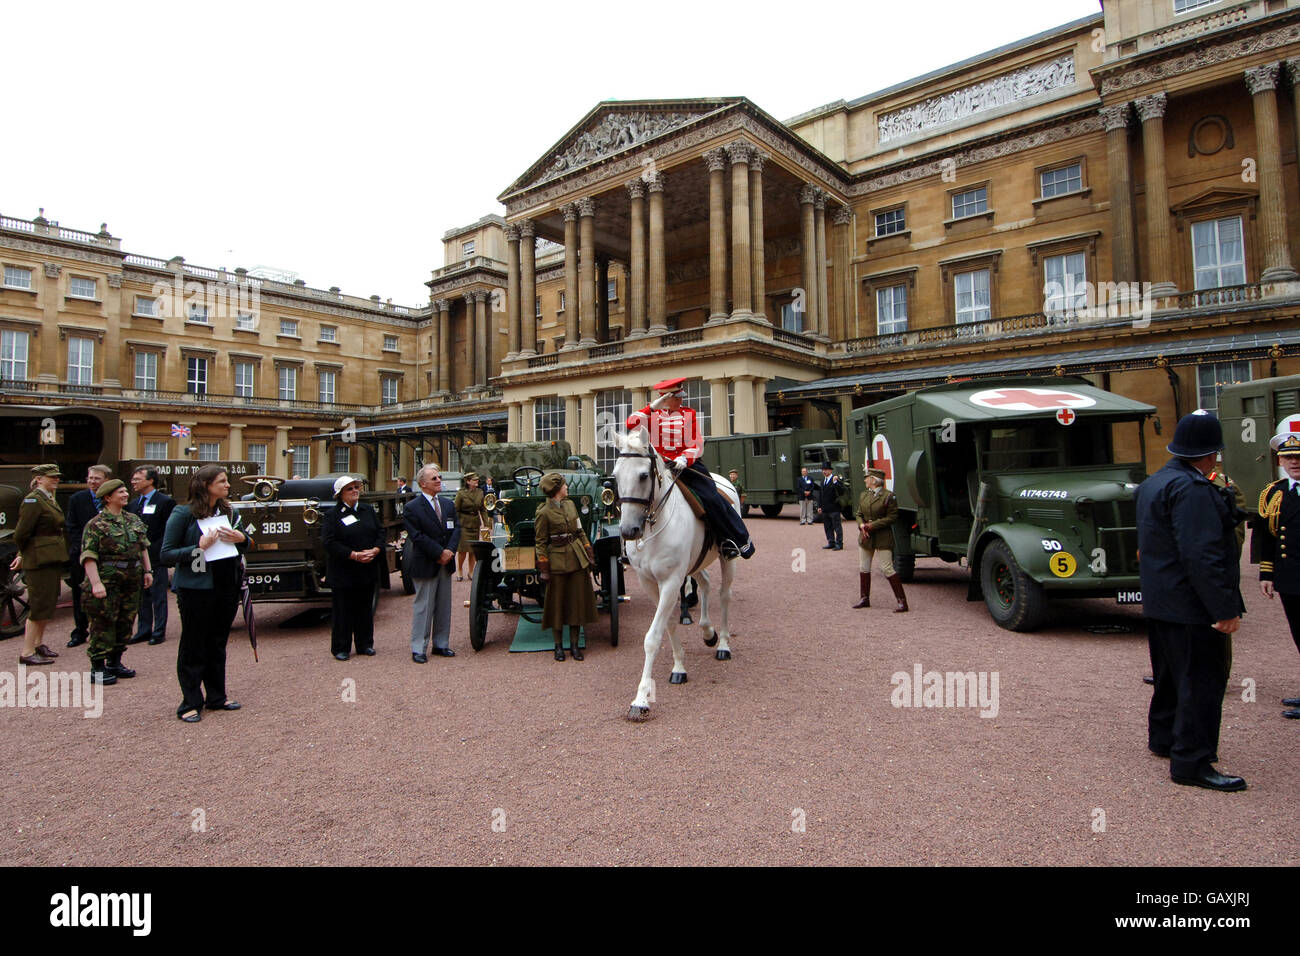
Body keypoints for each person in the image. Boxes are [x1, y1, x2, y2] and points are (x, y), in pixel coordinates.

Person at [1136, 410, 1246, 792]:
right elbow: (1201, 554)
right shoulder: (1193, 488)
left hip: (1162, 599)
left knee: (1169, 676)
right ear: (1211, 453)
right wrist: (1223, 608)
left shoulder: (1156, 482)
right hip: (1192, 604)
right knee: (1202, 682)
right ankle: (1192, 760)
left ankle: (1165, 738)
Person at [626, 376, 755, 559]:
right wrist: (652, 407)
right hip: (660, 468)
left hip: (686, 467)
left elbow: (696, 443)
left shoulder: (688, 414)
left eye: (681, 397)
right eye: (676, 397)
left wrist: (685, 459)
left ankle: (731, 540)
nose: (681, 400)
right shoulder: (651, 415)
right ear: (665, 398)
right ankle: (630, 545)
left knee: (712, 498)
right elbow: (630, 423)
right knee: (633, 496)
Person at [161, 465, 251, 723]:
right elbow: (166, 554)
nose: (227, 486)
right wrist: (197, 548)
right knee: (193, 644)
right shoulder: (182, 513)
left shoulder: (228, 512)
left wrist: (241, 538)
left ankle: (216, 696)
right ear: (205, 485)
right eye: (221, 482)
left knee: (217, 642)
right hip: (195, 588)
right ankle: (190, 702)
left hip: (225, 585)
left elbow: (247, 544)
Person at [80, 479, 153, 685]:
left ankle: (115, 662)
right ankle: (97, 666)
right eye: (120, 492)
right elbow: (88, 556)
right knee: (103, 623)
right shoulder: (95, 524)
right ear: (107, 497)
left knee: (126, 620)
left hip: (131, 579)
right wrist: (96, 583)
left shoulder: (132, 519)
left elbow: (142, 547)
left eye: (125, 491)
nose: (125, 495)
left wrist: (147, 570)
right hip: (107, 579)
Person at [1258, 431, 1300, 720]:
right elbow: (1267, 537)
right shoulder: (1274, 493)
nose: (1294, 462)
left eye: (1298, 457)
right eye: (1288, 457)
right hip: (1290, 578)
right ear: (1280, 461)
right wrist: (1266, 573)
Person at [320, 475, 384, 661]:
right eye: (350, 489)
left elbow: (380, 532)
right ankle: (341, 647)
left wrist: (375, 550)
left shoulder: (368, 510)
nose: (355, 490)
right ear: (340, 494)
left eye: (356, 487)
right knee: (343, 610)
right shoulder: (332, 515)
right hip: (344, 570)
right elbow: (329, 542)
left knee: (365, 608)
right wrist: (353, 555)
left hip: (366, 568)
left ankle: (365, 644)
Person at [535, 473, 597, 661]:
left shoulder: (570, 505)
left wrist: (589, 552)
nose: (567, 487)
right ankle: (558, 646)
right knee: (557, 604)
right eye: (564, 485)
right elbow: (540, 542)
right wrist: (544, 569)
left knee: (576, 603)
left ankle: (575, 646)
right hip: (557, 561)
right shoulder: (543, 512)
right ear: (556, 490)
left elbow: (579, 530)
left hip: (577, 558)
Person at [11, 464, 67, 665]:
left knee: (48, 603)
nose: (56, 480)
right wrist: (23, 554)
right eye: (51, 477)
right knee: (38, 605)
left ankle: (37, 644)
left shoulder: (48, 497)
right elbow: (21, 533)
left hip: (50, 557)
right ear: (39, 479)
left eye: (57, 477)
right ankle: (27, 652)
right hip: (39, 559)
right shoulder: (33, 499)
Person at [404, 464, 459, 663]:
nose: (438, 481)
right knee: (424, 607)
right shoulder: (412, 508)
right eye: (434, 478)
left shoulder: (447, 504)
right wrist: (439, 552)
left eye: (439, 477)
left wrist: (450, 551)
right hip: (427, 562)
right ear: (422, 484)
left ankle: (441, 644)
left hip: (446, 563)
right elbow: (416, 536)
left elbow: (456, 530)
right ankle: (418, 647)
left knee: (444, 606)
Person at [127, 466, 175, 646]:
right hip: (138, 558)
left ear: (150, 481)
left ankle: (159, 631)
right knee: (142, 596)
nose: (133, 482)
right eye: (133, 479)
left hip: (156, 556)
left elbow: (169, 530)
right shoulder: (133, 504)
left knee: (158, 595)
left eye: (137, 479)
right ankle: (143, 629)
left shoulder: (165, 502)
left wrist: (156, 549)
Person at [65, 464, 111, 648]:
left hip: (108, 556)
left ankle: (103, 632)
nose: (92, 481)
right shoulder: (77, 499)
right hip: (83, 554)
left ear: (106, 480)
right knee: (79, 594)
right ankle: (80, 631)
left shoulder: (112, 497)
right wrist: (83, 548)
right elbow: (72, 526)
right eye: (90, 478)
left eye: (96, 478)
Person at [854, 468, 907, 612]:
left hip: (882, 536)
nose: (865, 480)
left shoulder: (889, 497)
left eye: (867, 478)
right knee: (864, 567)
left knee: (887, 567)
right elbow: (858, 513)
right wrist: (861, 525)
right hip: (866, 537)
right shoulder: (864, 495)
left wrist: (872, 525)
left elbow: (892, 517)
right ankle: (864, 598)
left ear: (873, 480)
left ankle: (902, 601)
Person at [454, 472, 485, 582]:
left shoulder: (480, 492)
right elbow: (456, 509)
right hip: (463, 523)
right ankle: (459, 569)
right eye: (474, 480)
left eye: (477, 480)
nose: (476, 481)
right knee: (462, 550)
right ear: (468, 481)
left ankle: (471, 571)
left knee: (473, 549)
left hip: (475, 523)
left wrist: (487, 524)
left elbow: (482, 509)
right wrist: (455, 525)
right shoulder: (461, 493)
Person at [816, 462, 845, 550]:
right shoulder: (822, 481)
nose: (824, 471)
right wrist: (819, 506)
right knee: (827, 527)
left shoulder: (834, 479)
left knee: (837, 527)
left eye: (826, 470)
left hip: (834, 508)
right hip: (825, 508)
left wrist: (836, 482)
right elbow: (821, 495)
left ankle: (839, 543)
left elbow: (841, 491)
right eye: (823, 470)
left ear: (830, 470)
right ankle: (831, 542)